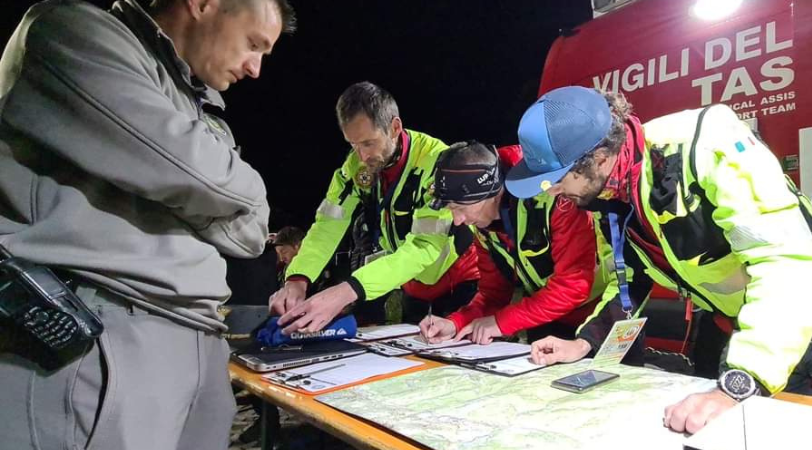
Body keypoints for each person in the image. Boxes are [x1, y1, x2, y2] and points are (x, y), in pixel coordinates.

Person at [0, 0, 295, 448]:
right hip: (104, 331)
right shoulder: (72, 31)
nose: (255, 69)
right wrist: (232, 188)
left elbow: (251, 232)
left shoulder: (198, 106)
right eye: (253, 44)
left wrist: (182, 184)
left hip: (200, 337)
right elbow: (200, 175)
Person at [512, 87, 812, 434]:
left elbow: (786, 264)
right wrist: (585, 342)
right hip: (727, 314)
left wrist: (739, 384)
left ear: (599, 158)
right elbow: (629, 280)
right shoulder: (610, 193)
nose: (551, 191)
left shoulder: (708, 144)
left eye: (557, 179)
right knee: (707, 426)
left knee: (787, 430)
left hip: (797, 311)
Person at [270, 82, 479, 334]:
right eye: (353, 144)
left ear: (395, 128)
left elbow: (425, 247)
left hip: (458, 279)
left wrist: (347, 291)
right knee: (412, 352)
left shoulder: (439, 163)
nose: (361, 156)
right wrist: (297, 278)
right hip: (410, 281)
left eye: (368, 143)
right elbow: (328, 225)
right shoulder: (354, 167)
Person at [419, 141, 613, 345]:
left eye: (460, 207)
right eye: (451, 209)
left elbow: (573, 285)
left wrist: (500, 322)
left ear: (492, 193)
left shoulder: (556, 195)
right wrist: (455, 323)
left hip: (602, 315)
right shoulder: (482, 220)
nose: (457, 220)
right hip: (544, 317)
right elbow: (493, 294)